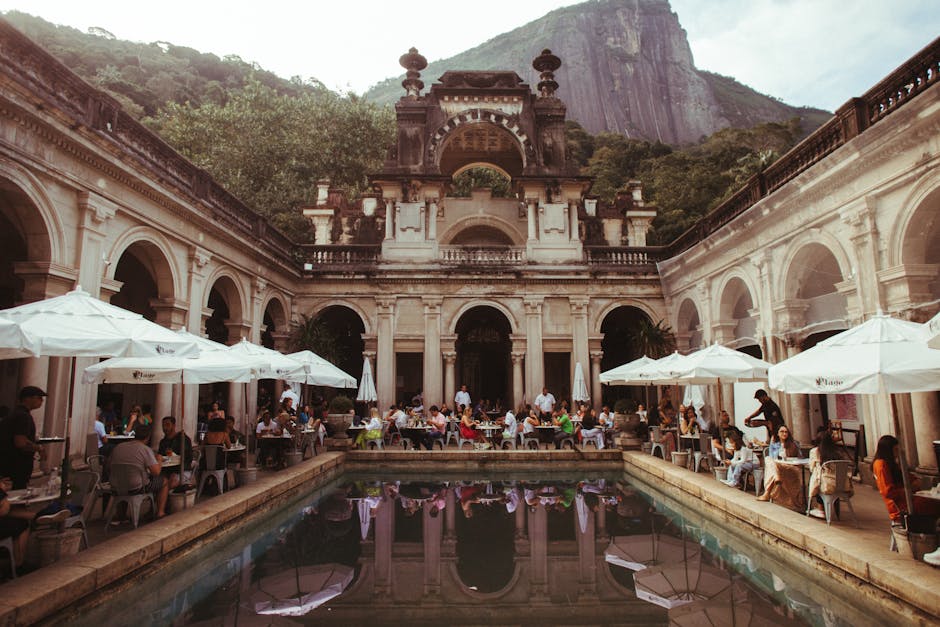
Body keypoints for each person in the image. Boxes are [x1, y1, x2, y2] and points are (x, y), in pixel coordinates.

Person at [872, 434, 940, 524]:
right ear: (888, 451)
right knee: (933, 504)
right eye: (895, 450)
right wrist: (910, 489)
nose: (897, 453)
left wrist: (915, 480)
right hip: (899, 505)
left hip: (905, 499)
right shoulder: (881, 465)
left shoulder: (891, 463)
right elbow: (888, 492)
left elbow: (904, 475)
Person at [109, 423, 171, 519]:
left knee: (126, 478)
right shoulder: (145, 449)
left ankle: (121, 515)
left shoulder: (118, 447)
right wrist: (159, 460)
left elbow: (108, 466)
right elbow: (156, 472)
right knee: (164, 481)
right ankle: (160, 512)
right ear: (148, 437)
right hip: (137, 487)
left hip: (116, 485)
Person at [0, 386, 47, 489]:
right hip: (15, 467)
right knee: (16, 498)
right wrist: (39, 448)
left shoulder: (15, 414)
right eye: (38, 397)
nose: (41, 401)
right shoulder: (23, 416)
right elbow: (20, 442)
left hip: (9, 466)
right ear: (28, 398)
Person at [807, 431, 852, 518]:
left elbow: (812, 468)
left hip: (826, 485)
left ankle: (821, 509)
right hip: (842, 485)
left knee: (816, 479)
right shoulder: (838, 452)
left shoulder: (815, 451)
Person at [756, 425, 803, 508]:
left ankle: (767, 492)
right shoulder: (775, 444)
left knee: (770, 462)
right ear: (777, 433)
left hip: (790, 466)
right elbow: (773, 458)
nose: (784, 433)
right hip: (779, 466)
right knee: (769, 459)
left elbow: (800, 457)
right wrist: (772, 443)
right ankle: (776, 477)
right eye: (782, 431)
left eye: (786, 432)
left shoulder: (793, 443)